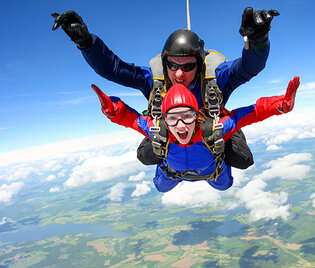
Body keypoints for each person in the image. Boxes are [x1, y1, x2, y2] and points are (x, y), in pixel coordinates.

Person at [51, 8, 280, 169]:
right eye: (172, 65)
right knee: (146, 156)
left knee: (242, 159)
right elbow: (113, 69)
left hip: (212, 132)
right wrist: (86, 43)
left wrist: (258, 41)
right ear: (165, 63)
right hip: (168, 134)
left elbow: (249, 67)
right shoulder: (154, 81)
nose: (179, 73)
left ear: (199, 65)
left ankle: (220, 148)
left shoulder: (215, 80)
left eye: (188, 66)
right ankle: (174, 164)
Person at [91, 76, 300, 192]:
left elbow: (253, 112)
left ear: (197, 114)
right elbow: (130, 118)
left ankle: (228, 145)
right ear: (164, 118)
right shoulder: (158, 130)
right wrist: (112, 109)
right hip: (172, 173)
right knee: (160, 187)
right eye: (172, 118)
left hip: (212, 172)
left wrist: (280, 105)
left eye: (187, 116)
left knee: (225, 185)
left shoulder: (215, 128)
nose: (181, 125)